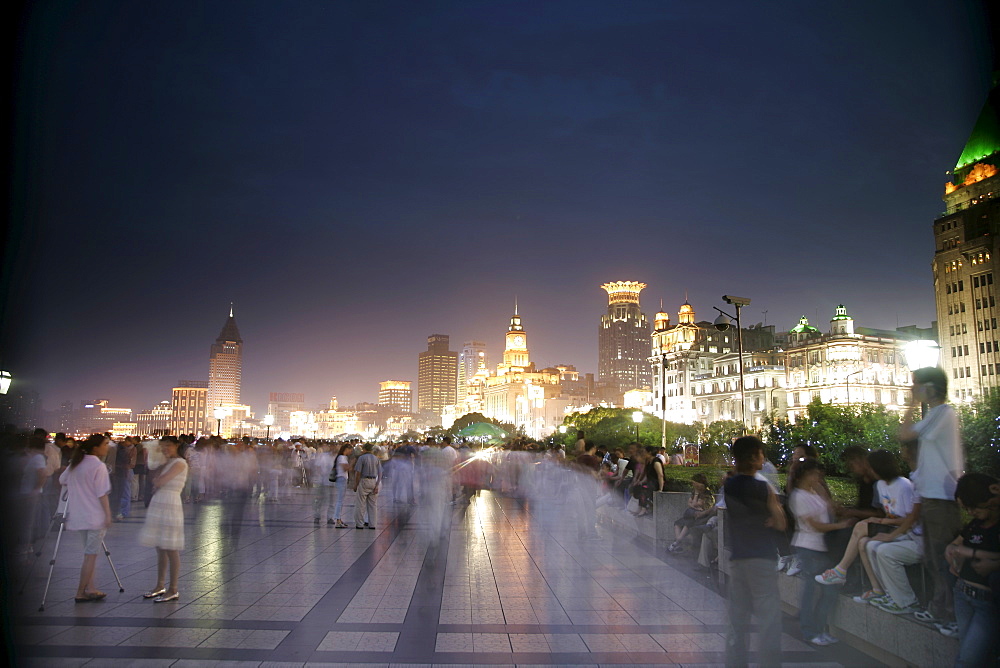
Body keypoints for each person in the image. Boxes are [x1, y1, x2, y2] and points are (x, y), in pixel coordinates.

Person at [900, 366, 964, 636]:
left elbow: (905, 434)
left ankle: (952, 616)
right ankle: (940, 609)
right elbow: (904, 433)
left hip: (942, 498)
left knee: (942, 558)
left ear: (932, 387)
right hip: (931, 497)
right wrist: (914, 402)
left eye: (917, 384)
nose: (914, 389)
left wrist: (913, 403)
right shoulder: (936, 414)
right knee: (933, 557)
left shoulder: (945, 413)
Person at [724, 435, 786, 667]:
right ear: (752, 457)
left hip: (738, 558)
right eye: (760, 453)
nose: (763, 458)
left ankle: (735, 662)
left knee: (737, 619)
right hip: (762, 557)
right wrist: (771, 515)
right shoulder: (763, 487)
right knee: (769, 620)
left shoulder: (729, 485)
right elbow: (780, 523)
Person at [816, 450, 912, 590]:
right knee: (862, 542)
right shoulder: (879, 485)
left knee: (858, 528)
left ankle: (841, 570)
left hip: (900, 530)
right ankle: (876, 589)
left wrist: (884, 521)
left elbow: (909, 518)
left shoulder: (904, 486)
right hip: (886, 525)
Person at [789, 458, 855, 646]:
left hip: (823, 547)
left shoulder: (814, 491)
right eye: (814, 474)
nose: (818, 477)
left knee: (829, 590)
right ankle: (810, 631)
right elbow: (815, 525)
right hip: (808, 546)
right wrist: (839, 525)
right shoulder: (798, 496)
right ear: (804, 475)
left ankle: (819, 628)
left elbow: (829, 507)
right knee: (811, 591)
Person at [945, 473, 999, 667]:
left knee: (967, 659)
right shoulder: (974, 525)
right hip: (962, 594)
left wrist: (971, 552)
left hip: (985, 603)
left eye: (973, 507)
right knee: (973, 653)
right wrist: (952, 555)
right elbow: (953, 546)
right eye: (967, 509)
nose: (970, 512)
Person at [59, 434, 112, 602]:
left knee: (89, 553)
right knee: (91, 555)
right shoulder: (98, 466)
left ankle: (91, 587)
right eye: (105, 444)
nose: (107, 447)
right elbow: (102, 493)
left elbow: (62, 480)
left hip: (79, 515)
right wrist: (108, 515)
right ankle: (81, 591)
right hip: (95, 516)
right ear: (95, 448)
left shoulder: (76, 463)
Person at [139, 436, 188, 602]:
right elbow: (153, 475)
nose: (166, 449)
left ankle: (173, 588)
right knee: (160, 547)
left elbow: (160, 481)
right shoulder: (166, 462)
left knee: (171, 548)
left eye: (169, 446)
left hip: (170, 503)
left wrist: (157, 478)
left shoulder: (180, 463)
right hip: (159, 501)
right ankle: (160, 585)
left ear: (176, 446)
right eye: (163, 446)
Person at [669, 472, 714, 553]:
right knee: (678, 523)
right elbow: (690, 504)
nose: (692, 483)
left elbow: (696, 504)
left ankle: (677, 543)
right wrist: (694, 504)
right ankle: (677, 544)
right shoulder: (695, 491)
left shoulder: (706, 493)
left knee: (688, 521)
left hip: (701, 516)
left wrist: (696, 497)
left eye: (694, 482)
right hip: (693, 514)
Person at [353, 443, 382, 529]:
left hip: (364, 481)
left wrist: (356, 484)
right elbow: (380, 473)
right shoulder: (376, 459)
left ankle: (359, 524)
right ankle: (372, 524)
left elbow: (358, 473)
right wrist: (377, 485)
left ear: (364, 449)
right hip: (373, 481)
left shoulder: (362, 458)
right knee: (373, 504)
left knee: (361, 503)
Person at [311, 444, 336, 525]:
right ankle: (317, 516)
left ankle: (330, 517)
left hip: (334, 483)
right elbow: (318, 467)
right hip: (323, 481)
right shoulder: (324, 456)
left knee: (332, 501)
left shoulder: (338, 457)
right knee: (320, 500)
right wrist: (321, 475)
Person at [331, 443, 352, 527]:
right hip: (341, 479)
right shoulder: (342, 457)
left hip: (342, 479)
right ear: (346, 449)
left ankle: (338, 518)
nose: (350, 452)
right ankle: (338, 519)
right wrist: (352, 464)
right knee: (340, 500)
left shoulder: (341, 457)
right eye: (350, 450)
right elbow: (345, 468)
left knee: (341, 500)